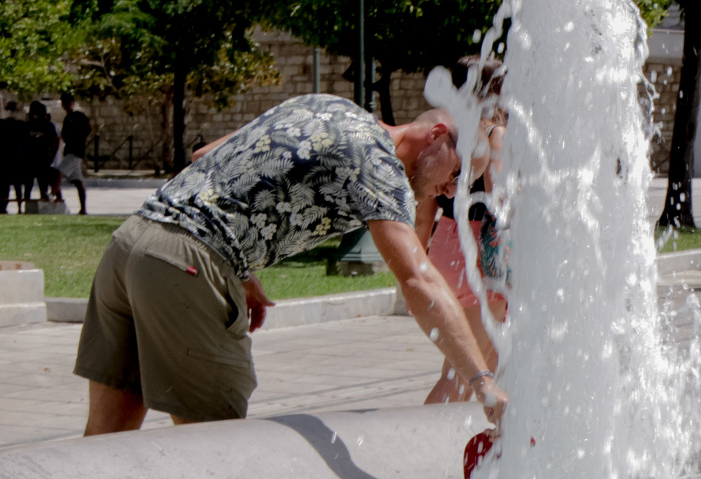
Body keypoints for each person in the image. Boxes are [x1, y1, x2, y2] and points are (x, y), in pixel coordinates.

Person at [73, 93, 508, 435]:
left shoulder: (330, 106)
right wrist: (482, 382)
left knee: (108, 436)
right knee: (216, 445)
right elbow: (418, 279)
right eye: (459, 174)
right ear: (436, 134)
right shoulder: (378, 163)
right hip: (186, 266)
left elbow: (208, 156)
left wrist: (241, 269)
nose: (452, 191)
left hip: (129, 245)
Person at [421, 58, 509, 404]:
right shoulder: (493, 134)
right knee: (461, 375)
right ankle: (422, 444)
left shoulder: (446, 134)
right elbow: (500, 204)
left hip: (443, 244)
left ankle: (489, 451)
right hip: (478, 257)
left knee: (492, 364)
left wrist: (419, 263)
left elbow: (423, 206)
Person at [57, 94, 92, 215]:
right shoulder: (68, 117)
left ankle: (57, 198)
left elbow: (88, 128)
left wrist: (78, 139)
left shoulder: (79, 116)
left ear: (71, 102)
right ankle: (83, 209)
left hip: (75, 151)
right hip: (70, 151)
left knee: (56, 174)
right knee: (77, 181)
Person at [22, 101, 58, 203]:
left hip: (43, 159)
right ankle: (27, 203)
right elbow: (23, 140)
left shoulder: (48, 126)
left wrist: (51, 157)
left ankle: (44, 202)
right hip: (29, 158)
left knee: (43, 185)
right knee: (28, 185)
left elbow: (54, 142)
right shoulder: (27, 125)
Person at [0, 102, 26, 213]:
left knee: (5, 185)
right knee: (16, 185)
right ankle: (19, 207)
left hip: (6, 157)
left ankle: (4, 207)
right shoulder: (20, 124)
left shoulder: (3, 124)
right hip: (15, 157)